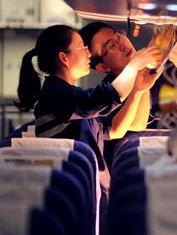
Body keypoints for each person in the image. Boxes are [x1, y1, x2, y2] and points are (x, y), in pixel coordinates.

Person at [15, 24, 161, 188]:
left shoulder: (66, 94)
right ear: (64, 58)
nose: (88, 53)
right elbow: (107, 96)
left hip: (86, 186)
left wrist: (137, 91)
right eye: (81, 48)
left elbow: (114, 130)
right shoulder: (56, 95)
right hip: (74, 188)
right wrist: (134, 65)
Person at [79, 22, 177, 136]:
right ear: (103, 67)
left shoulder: (167, 68)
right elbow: (137, 126)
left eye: (119, 36)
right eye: (111, 46)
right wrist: (140, 69)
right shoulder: (109, 93)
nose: (122, 44)